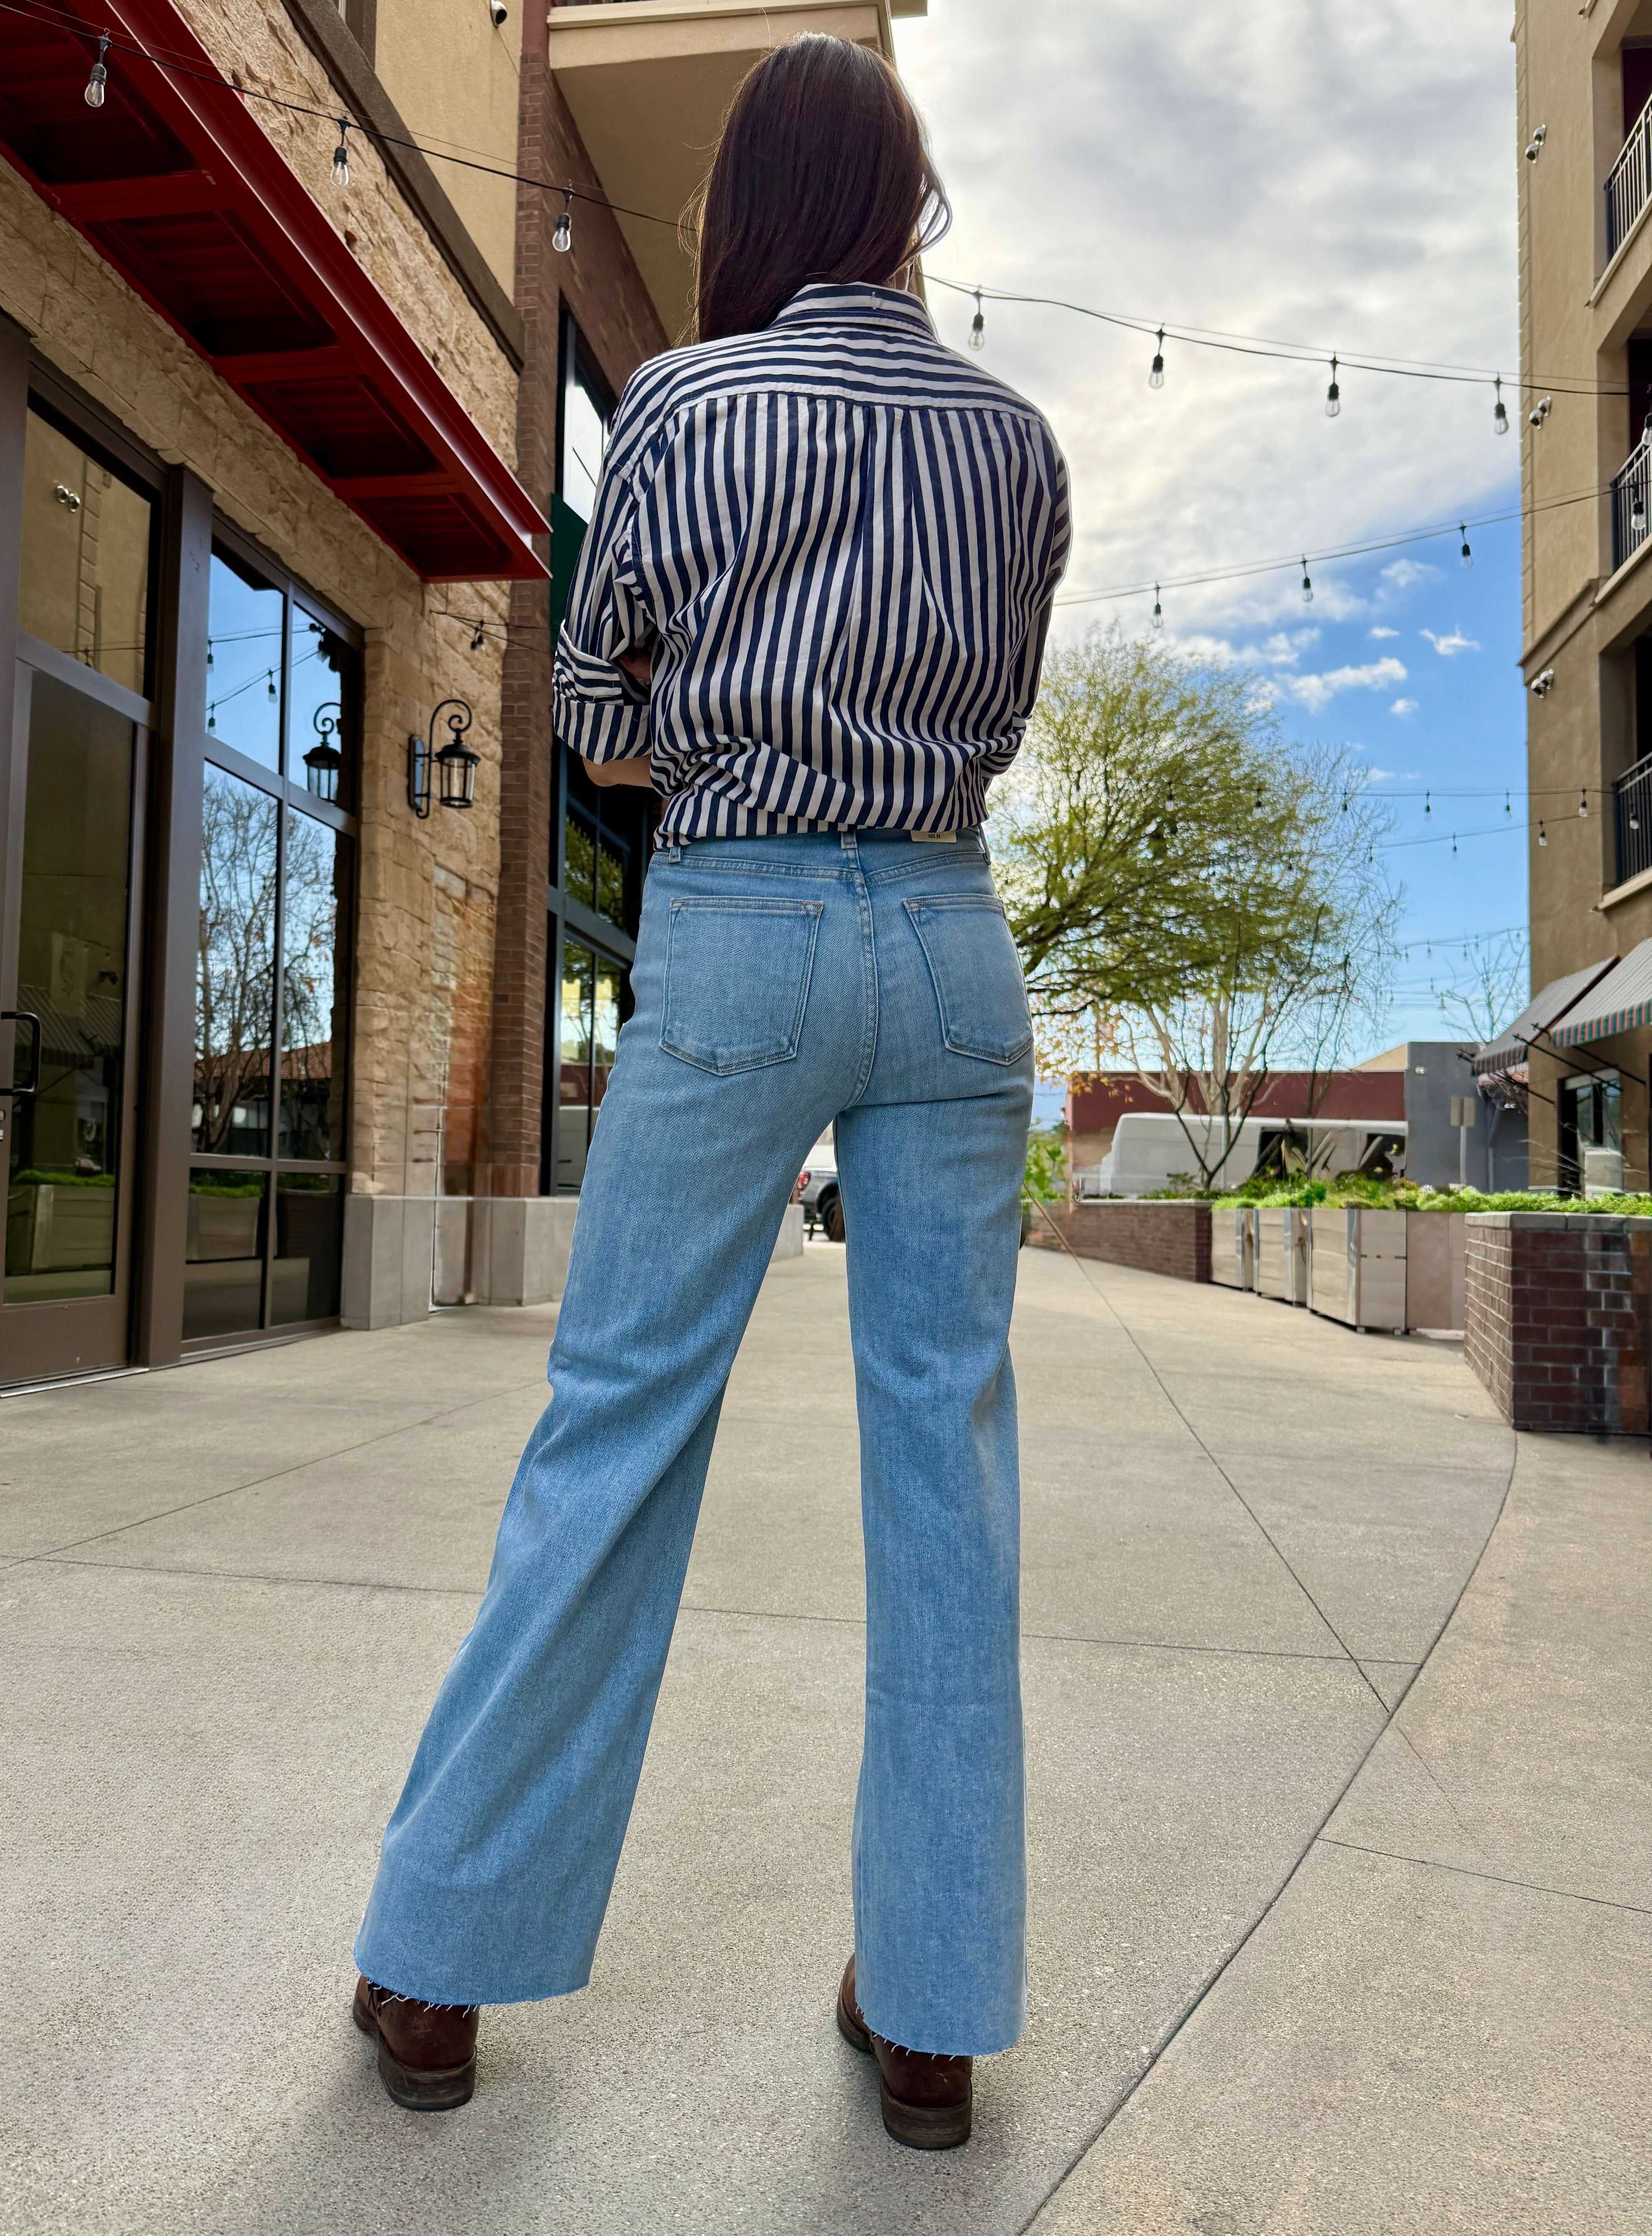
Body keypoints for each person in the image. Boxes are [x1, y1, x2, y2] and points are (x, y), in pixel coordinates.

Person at [351, 31, 1071, 2152]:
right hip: (952, 947)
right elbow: (999, 714)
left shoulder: (678, 402)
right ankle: (932, 2007)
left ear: (753, 209)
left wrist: (728, 730)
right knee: (947, 1467)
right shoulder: (1018, 441)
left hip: (742, 924)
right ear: (908, 212)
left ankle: (442, 1962)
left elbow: (598, 715)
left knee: (618, 1423)